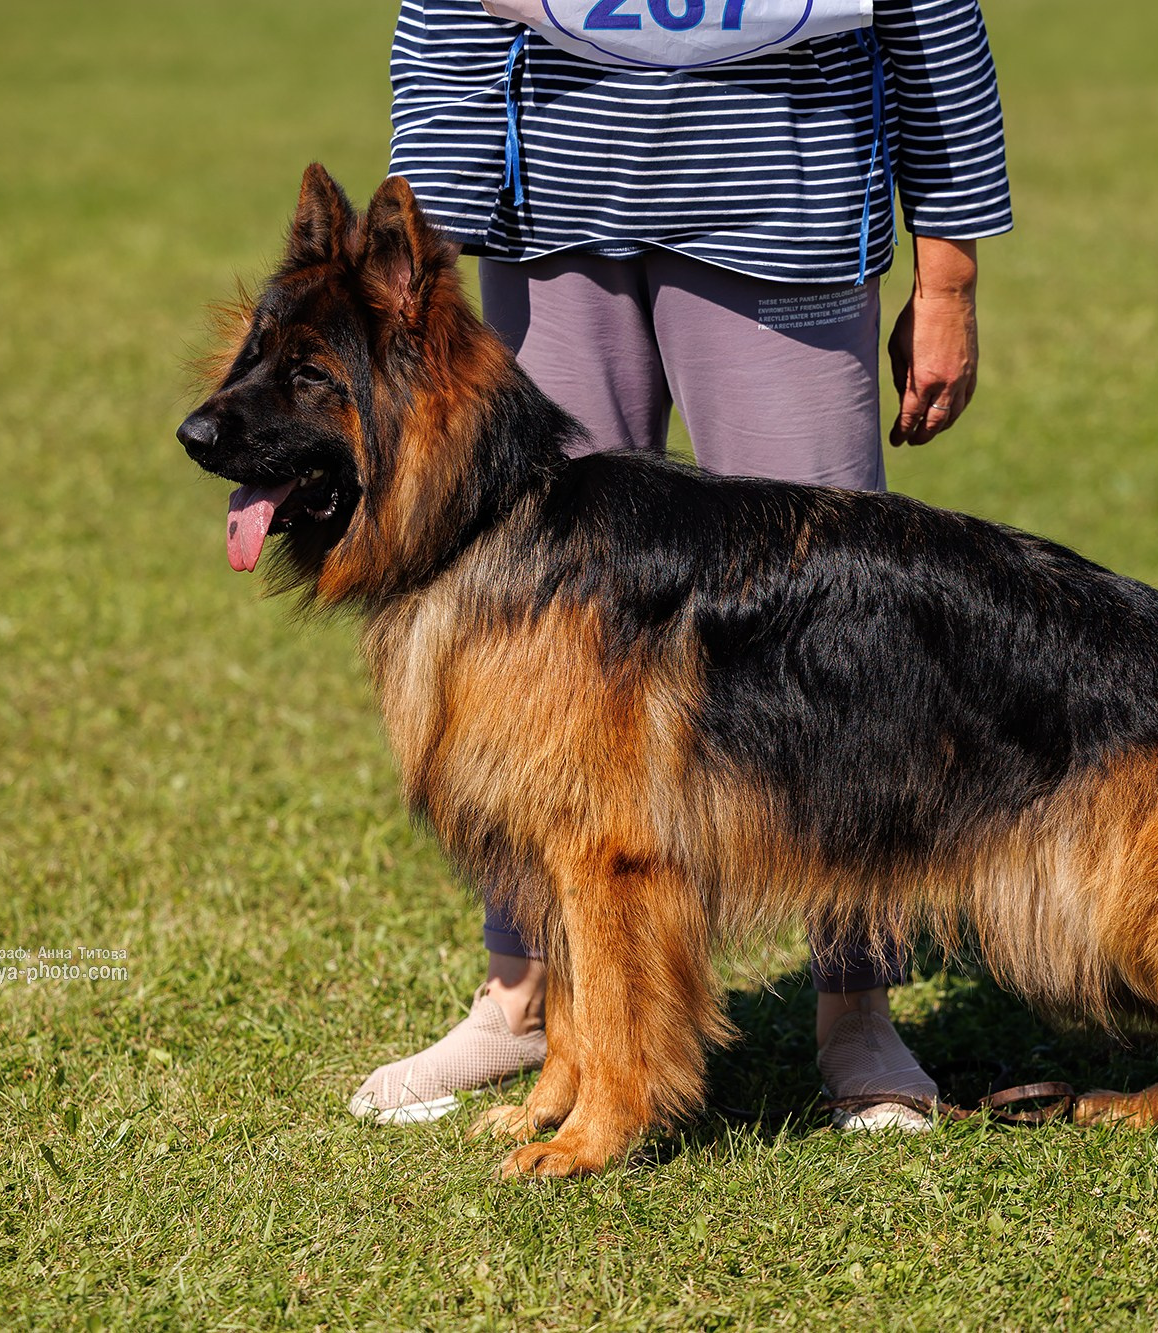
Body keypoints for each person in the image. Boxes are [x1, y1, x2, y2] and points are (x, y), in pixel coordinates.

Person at [348, 0, 1012, 1131]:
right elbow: (454, 20)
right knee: (523, 654)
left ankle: (856, 1007)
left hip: (783, 203)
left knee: (830, 635)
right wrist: (418, 271)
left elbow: (931, 17)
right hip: (552, 220)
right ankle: (524, 996)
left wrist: (945, 278)